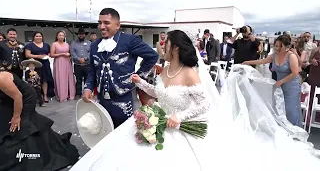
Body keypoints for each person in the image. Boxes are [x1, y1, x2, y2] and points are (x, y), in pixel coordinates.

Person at [70, 30, 320, 171]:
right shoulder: (165, 68)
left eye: (164, 43)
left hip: (179, 129)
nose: (161, 46)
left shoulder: (190, 73)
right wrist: (141, 83)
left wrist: (179, 117)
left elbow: (203, 105)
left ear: (175, 47)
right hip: (158, 120)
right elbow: (160, 93)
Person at [0, 54, 79, 170]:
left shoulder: (1, 79)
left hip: (26, 98)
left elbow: (18, 97)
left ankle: (34, 155)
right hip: (10, 99)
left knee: (24, 124)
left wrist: (16, 116)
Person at [82, 8, 158, 128]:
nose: (102, 27)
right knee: (105, 131)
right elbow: (93, 69)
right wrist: (88, 88)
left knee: (125, 134)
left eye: (106, 23)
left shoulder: (129, 40)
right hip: (102, 100)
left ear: (117, 25)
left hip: (125, 98)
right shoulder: (95, 45)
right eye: (100, 23)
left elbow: (152, 56)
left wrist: (138, 76)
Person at [243, 34, 302, 126]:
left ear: (287, 46)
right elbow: (262, 61)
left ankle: (294, 130)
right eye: (276, 46)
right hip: (279, 85)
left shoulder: (291, 56)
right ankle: (282, 128)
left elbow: (295, 73)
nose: (278, 48)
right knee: (278, 107)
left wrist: (281, 82)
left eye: (280, 46)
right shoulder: (274, 56)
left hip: (291, 85)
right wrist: (248, 62)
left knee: (290, 109)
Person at [25, 31, 55, 102]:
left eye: (40, 36)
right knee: (35, 80)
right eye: (37, 36)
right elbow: (27, 55)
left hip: (45, 63)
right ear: (34, 37)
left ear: (42, 37)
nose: (38, 37)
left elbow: (50, 53)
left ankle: (45, 95)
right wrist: (38, 56)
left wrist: (48, 55)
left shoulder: (46, 45)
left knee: (45, 80)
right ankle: (37, 95)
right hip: (35, 64)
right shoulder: (29, 45)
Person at [70, 28, 91, 98]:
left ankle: (86, 93)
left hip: (87, 64)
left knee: (87, 80)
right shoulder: (73, 43)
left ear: (85, 35)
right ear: (78, 35)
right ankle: (78, 93)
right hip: (77, 65)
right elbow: (72, 52)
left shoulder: (89, 43)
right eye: (80, 34)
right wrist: (79, 59)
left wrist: (85, 58)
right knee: (78, 80)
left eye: (82, 34)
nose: (81, 35)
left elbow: (91, 52)